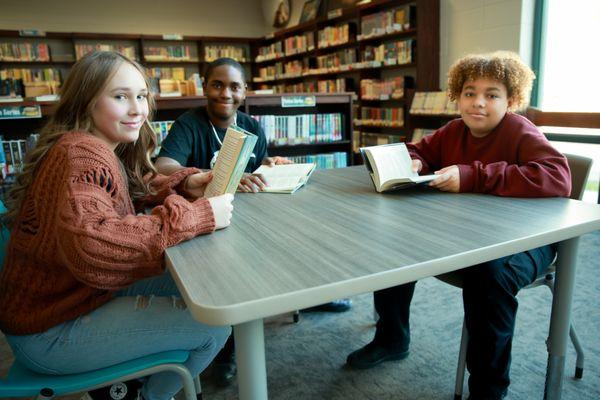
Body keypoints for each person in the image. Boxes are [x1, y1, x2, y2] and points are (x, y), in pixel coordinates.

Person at [0, 51, 235, 400]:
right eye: (120, 96)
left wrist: (185, 184)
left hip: (69, 297)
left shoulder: (94, 145)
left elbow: (131, 186)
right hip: (48, 330)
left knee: (199, 287)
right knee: (213, 327)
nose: (137, 109)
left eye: (141, 96)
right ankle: (151, 396)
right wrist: (198, 215)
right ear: (87, 100)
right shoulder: (81, 154)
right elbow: (93, 247)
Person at [345, 51, 571, 400]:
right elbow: (416, 151)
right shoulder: (454, 130)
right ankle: (392, 337)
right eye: (469, 92)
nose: (478, 103)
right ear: (457, 95)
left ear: (511, 100)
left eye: (491, 95)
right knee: (396, 240)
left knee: (490, 276)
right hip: (474, 233)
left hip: (528, 240)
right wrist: (416, 162)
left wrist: (472, 176)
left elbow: (558, 177)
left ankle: (488, 390)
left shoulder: (520, 130)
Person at [155, 57, 352, 387]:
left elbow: (257, 169)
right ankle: (228, 348)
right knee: (230, 274)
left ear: (244, 91)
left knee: (297, 235)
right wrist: (212, 176)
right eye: (217, 84)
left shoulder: (251, 126)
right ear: (206, 88)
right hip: (203, 221)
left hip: (249, 214)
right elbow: (163, 166)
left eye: (234, 86)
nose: (225, 93)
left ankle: (310, 294)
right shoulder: (189, 124)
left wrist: (270, 165)